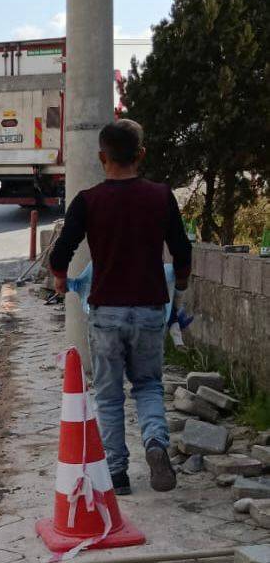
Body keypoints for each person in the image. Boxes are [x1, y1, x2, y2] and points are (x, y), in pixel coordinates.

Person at [49, 119, 192, 495]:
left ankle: (117, 473)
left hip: (106, 313)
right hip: (149, 310)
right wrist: (183, 279)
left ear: (101, 157)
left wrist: (61, 278)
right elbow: (182, 249)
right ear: (141, 154)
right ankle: (156, 443)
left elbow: (62, 248)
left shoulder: (88, 201)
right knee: (148, 385)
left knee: (110, 394)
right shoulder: (161, 196)